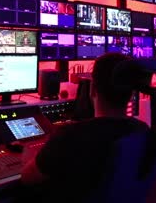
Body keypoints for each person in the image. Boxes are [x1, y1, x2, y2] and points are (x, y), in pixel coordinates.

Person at [21, 53, 148, 202]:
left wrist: (28, 157)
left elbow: (28, 178)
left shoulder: (69, 136)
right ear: (132, 92)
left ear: (92, 89)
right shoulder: (142, 130)